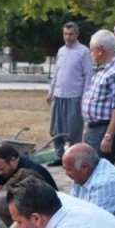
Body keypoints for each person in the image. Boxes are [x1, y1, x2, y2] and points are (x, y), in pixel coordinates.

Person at [0, 143, 57, 228]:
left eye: (1, 169)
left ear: (12, 160)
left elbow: (31, 209)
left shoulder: (30, 172)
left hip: (47, 211)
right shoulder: (5, 170)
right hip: (27, 205)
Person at [82, 30, 115, 163]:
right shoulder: (104, 68)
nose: (90, 53)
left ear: (100, 50)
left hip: (104, 129)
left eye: (91, 50)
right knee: (88, 166)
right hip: (94, 128)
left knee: (98, 167)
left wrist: (108, 136)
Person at [46, 22, 92, 166]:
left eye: (71, 34)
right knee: (55, 129)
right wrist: (50, 92)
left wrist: (84, 96)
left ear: (77, 34)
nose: (68, 37)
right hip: (58, 95)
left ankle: (73, 159)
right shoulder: (61, 51)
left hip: (75, 97)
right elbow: (56, 73)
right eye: (65, 34)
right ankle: (59, 156)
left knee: (74, 131)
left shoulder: (84, 52)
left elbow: (88, 75)